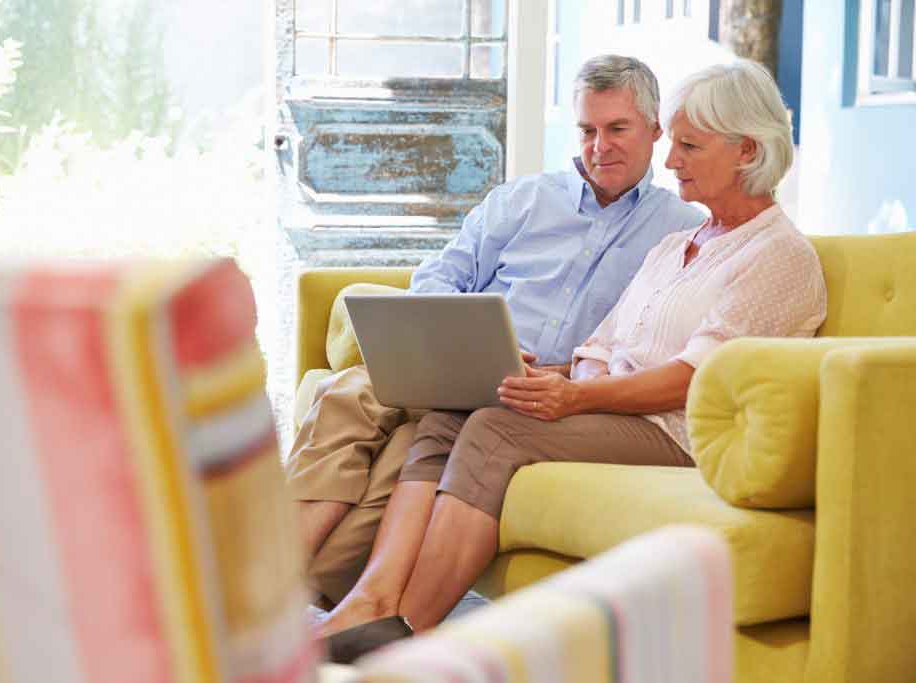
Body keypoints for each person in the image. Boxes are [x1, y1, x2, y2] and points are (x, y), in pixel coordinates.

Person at [316, 58, 828, 657]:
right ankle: (370, 602)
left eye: (688, 145)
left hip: (676, 432)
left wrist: (577, 396)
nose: (670, 161)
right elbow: (605, 346)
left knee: (496, 430)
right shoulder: (676, 244)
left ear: (747, 151)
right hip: (620, 412)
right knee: (454, 414)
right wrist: (541, 376)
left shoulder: (778, 254)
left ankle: (408, 635)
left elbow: (697, 378)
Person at [286, 55, 704, 607]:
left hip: (537, 392)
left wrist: (561, 374)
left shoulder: (681, 231)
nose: (600, 145)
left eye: (617, 129)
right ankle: (272, 583)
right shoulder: (523, 201)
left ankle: (284, 601)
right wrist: (452, 336)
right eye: (587, 130)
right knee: (350, 395)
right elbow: (440, 273)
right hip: (455, 365)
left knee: (407, 449)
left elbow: (644, 342)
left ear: (654, 130)